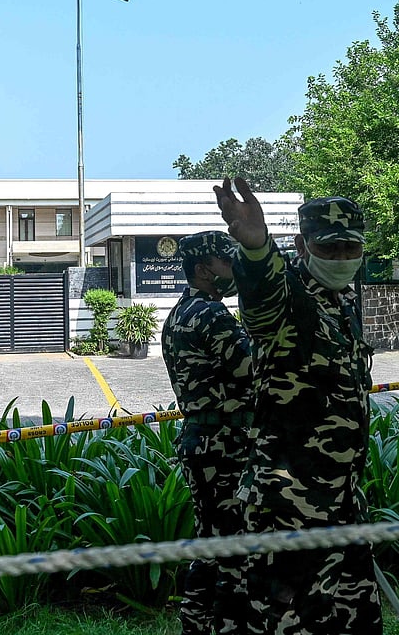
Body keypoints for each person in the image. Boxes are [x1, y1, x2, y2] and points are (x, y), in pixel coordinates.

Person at [213, 177, 382, 635]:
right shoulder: (288, 298)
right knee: (292, 622)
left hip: (342, 502)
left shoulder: (342, 302)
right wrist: (255, 247)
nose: (342, 258)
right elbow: (262, 297)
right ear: (301, 246)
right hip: (291, 507)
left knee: (357, 618)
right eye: (329, 249)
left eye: (350, 248)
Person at [161, 230, 256, 635]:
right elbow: (254, 369)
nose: (235, 269)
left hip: (203, 442)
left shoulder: (181, 312)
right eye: (227, 262)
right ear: (203, 270)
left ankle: (196, 624)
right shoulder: (212, 315)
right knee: (232, 550)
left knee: (212, 545)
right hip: (224, 446)